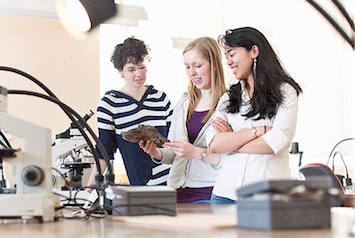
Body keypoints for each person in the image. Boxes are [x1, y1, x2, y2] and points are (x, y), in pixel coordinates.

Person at [206, 27, 302, 203]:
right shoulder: (229, 97)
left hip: (268, 195)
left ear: (254, 51)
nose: (228, 61)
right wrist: (258, 132)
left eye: (232, 54)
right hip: (225, 194)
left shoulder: (286, 91)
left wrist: (231, 141)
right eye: (226, 56)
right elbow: (213, 144)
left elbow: (277, 142)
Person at [139, 37, 227, 202]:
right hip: (176, 191)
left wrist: (196, 152)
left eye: (197, 66)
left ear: (214, 63)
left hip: (210, 190)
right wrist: (156, 153)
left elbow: (231, 160)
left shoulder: (228, 105)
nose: (191, 73)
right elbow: (174, 154)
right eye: (187, 67)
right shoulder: (183, 104)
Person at [87, 36, 173, 187]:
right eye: (131, 69)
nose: (139, 74)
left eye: (142, 67)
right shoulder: (110, 104)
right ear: (120, 71)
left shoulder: (161, 98)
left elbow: (174, 142)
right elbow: (104, 151)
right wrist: (88, 190)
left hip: (173, 183)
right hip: (141, 187)